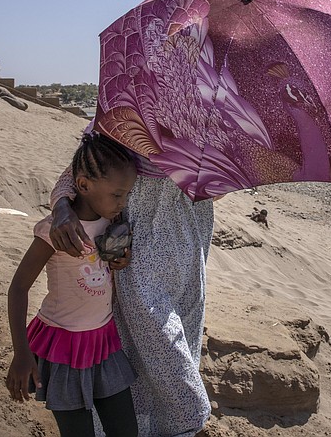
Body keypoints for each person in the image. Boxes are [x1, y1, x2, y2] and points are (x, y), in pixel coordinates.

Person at [50, 128, 215, 436]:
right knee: (145, 336)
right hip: (134, 243)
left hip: (186, 241)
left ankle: (171, 426)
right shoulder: (128, 104)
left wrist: (208, 170)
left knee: (181, 333)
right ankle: (191, 419)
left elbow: (220, 185)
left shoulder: (213, 114)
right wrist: (61, 205)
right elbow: (78, 171)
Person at [6, 133, 139, 437]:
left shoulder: (110, 224)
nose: (123, 204)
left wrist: (119, 261)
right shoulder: (54, 233)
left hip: (104, 343)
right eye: (117, 195)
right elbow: (18, 288)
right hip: (63, 348)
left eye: (127, 195)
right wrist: (21, 353)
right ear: (83, 185)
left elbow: (103, 269)